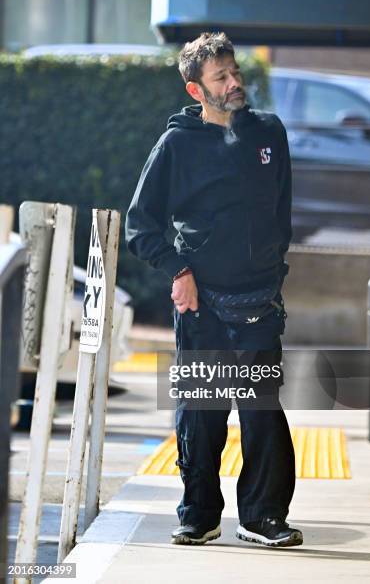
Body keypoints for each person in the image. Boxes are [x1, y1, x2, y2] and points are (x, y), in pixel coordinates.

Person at [125, 32, 302, 548]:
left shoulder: (269, 133)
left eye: (236, 73)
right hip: (201, 304)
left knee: (261, 410)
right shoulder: (177, 146)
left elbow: (281, 213)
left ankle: (263, 516)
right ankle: (199, 514)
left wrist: (272, 270)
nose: (234, 83)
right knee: (201, 413)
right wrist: (178, 272)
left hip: (259, 301)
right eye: (221, 77)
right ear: (195, 90)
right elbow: (142, 225)